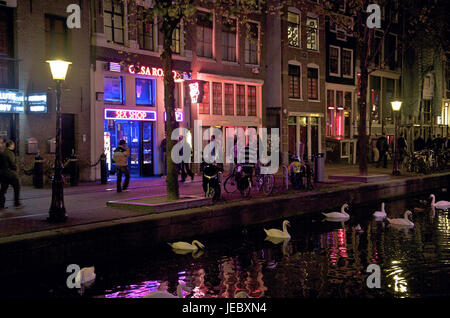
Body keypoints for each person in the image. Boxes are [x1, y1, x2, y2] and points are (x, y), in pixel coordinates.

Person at [0, 140, 24, 209]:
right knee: (17, 188)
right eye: (13, 145)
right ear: (10, 145)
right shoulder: (10, 153)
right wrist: (16, 168)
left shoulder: (2, 153)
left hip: (3, 175)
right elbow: (12, 164)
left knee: (2, 190)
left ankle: (1, 205)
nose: (14, 146)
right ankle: (17, 203)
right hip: (11, 174)